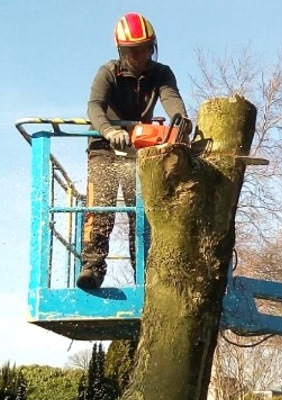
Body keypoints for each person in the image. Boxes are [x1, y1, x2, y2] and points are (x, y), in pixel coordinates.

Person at [77, 12, 190, 290]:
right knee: (100, 206)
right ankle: (92, 267)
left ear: (153, 46)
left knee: (141, 212)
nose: (140, 56)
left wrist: (182, 122)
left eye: (145, 49)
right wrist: (109, 130)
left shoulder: (161, 73)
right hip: (104, 148)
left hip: (141, 151)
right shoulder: (108, 73)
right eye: (133, 51)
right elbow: (94, 106)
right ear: (122, 50)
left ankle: (144, 271)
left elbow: (171, 98)